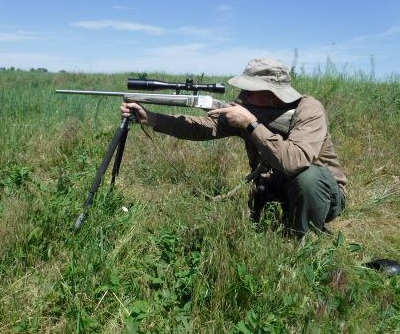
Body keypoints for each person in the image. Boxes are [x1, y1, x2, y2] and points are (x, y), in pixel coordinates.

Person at [121, 58, 347, 238]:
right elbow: (202, 127)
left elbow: (295, 161)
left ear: (271, 94)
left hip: (323, 194)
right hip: (274, 187)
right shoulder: (250, 111)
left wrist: (251, 124)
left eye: (248, 91)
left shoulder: (309, 110)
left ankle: (304, 243)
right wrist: (152, 118)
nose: (240, 96)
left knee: (307, 178)